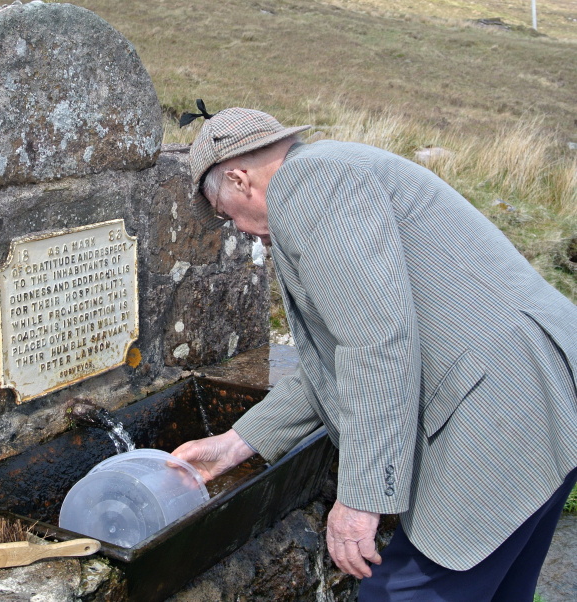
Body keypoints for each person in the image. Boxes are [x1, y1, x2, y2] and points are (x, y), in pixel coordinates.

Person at [171, 103, 577, 600]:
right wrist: (235, 444)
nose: (235, 228)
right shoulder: (336, 169)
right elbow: (340, 355)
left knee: (397, 593)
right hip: (540, 393)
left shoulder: (308, 188)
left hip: (498, 414)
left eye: (224, 215)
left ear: (239, 179)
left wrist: (362, 499)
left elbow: (375, 346)